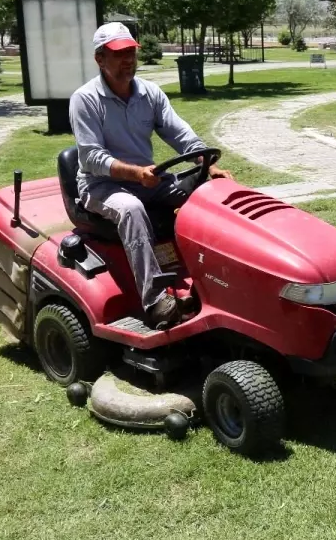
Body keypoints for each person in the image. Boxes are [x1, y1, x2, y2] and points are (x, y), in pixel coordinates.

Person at [69, 22, 232, 329]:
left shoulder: (149, 93)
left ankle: (219, 277)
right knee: (131, 210)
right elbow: (90, 157)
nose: (128, 59)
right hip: (101, 184)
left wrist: (209, 165)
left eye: (131, 51)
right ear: (100, 59)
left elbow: (180, 134)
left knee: (205, 194)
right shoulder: (85, 99)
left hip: (146, 179)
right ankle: (156, 301)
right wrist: (134, 173)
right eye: (119, 54)